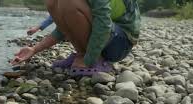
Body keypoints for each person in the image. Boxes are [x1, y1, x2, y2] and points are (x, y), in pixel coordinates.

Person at [12, 0, 141, 76]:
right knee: (52, 1)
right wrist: (34, 49)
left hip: (120, 43)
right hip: (107, 36)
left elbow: (103, 23)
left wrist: (90, 58)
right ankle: (82, 53)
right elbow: (65, 26)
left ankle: (97, 58)